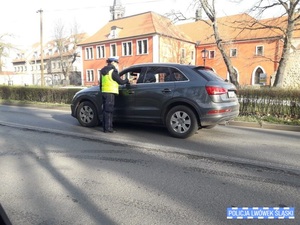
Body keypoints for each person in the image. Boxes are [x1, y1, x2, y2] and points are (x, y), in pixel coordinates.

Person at [100, 57, 128, 133]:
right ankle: (109, 128)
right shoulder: (112, 71)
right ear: (112, 63)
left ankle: (104, 128)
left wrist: (101, 91)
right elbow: (121, 82)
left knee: (105, 111)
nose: (117, 64)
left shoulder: (103, 71)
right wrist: (127, 80)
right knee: (109, 111)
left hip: (104, 92)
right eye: (116, 63)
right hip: (110, 93)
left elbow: (101, 84)